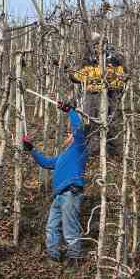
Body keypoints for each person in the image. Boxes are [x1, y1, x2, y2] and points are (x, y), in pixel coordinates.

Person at [23, 101, 87, 267]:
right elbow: (45, 163)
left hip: (71, 193)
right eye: (67, 133)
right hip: (59, 196)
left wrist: (70, 111)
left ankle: (75, 259)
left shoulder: (79, 147)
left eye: (69, 133)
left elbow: (78, 129)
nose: (68, 135)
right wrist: (31, 149)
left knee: (69, 228)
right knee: (51, 227)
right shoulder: (61, 157)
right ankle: (53, 257)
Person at [69, 32, 126, 156]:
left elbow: (121, 78)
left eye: (98, 45)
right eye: (94, 45)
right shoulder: (89, 61)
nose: (96, 48)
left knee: (110, 122)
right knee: (90, 122)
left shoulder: (114, 60)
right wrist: (69, 70)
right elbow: (77, 75)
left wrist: (111, 83)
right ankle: (91, 151)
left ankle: (112, 152)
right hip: (92, 94)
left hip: (109, 94)